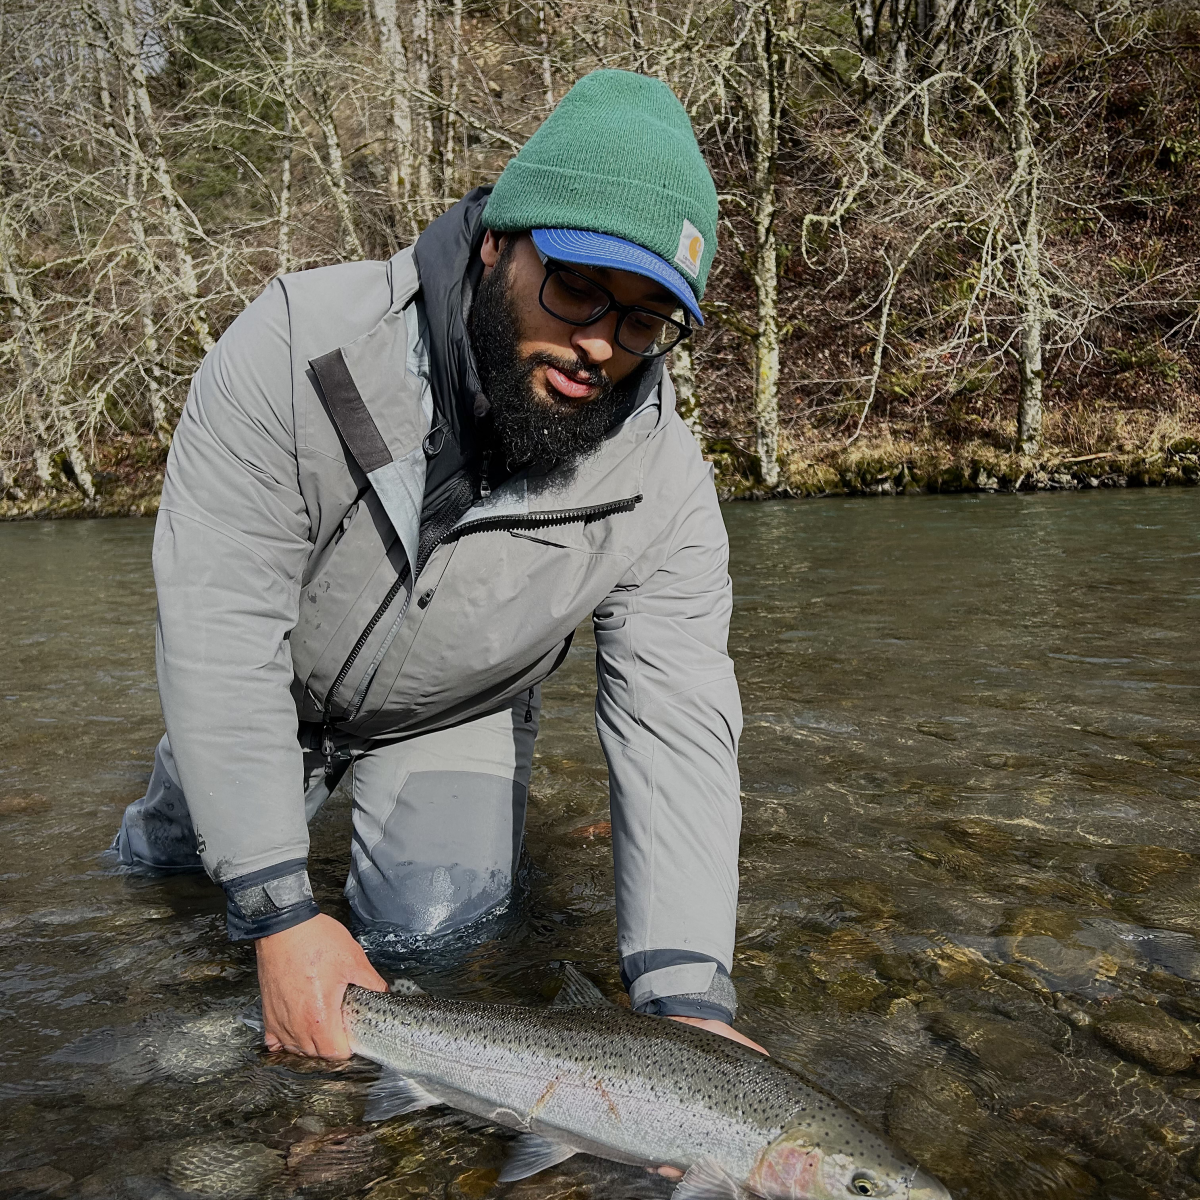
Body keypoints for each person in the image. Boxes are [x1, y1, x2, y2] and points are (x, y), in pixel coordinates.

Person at [112, 68, 750, 1063]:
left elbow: (677, 728)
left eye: (641, 322)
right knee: (164, 887)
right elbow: (219, 626)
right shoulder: (295, 347)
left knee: (438, 942)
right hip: (273, 685)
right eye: (576, 286)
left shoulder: (663, 484)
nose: (597, 344)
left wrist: (688, 999)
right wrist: (280, 911)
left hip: (458, 704)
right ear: (499, 241)